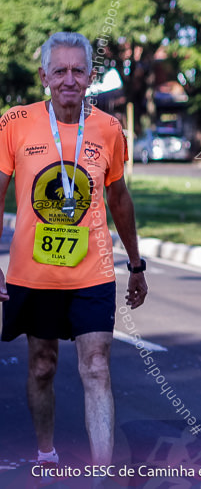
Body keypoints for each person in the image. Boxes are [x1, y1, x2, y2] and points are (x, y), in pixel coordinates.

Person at [0, 31, 148, 470]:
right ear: (44, 75)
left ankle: (101, 473)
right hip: (33, 273)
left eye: (77, 70)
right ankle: (46, 453)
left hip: (93, 272)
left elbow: (119, 199)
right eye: (59, 70)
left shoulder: (108, 129)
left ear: (90, 77)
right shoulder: (15, 123)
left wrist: (136, 265)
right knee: (43, 366)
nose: (69, 79)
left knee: (97, 367)